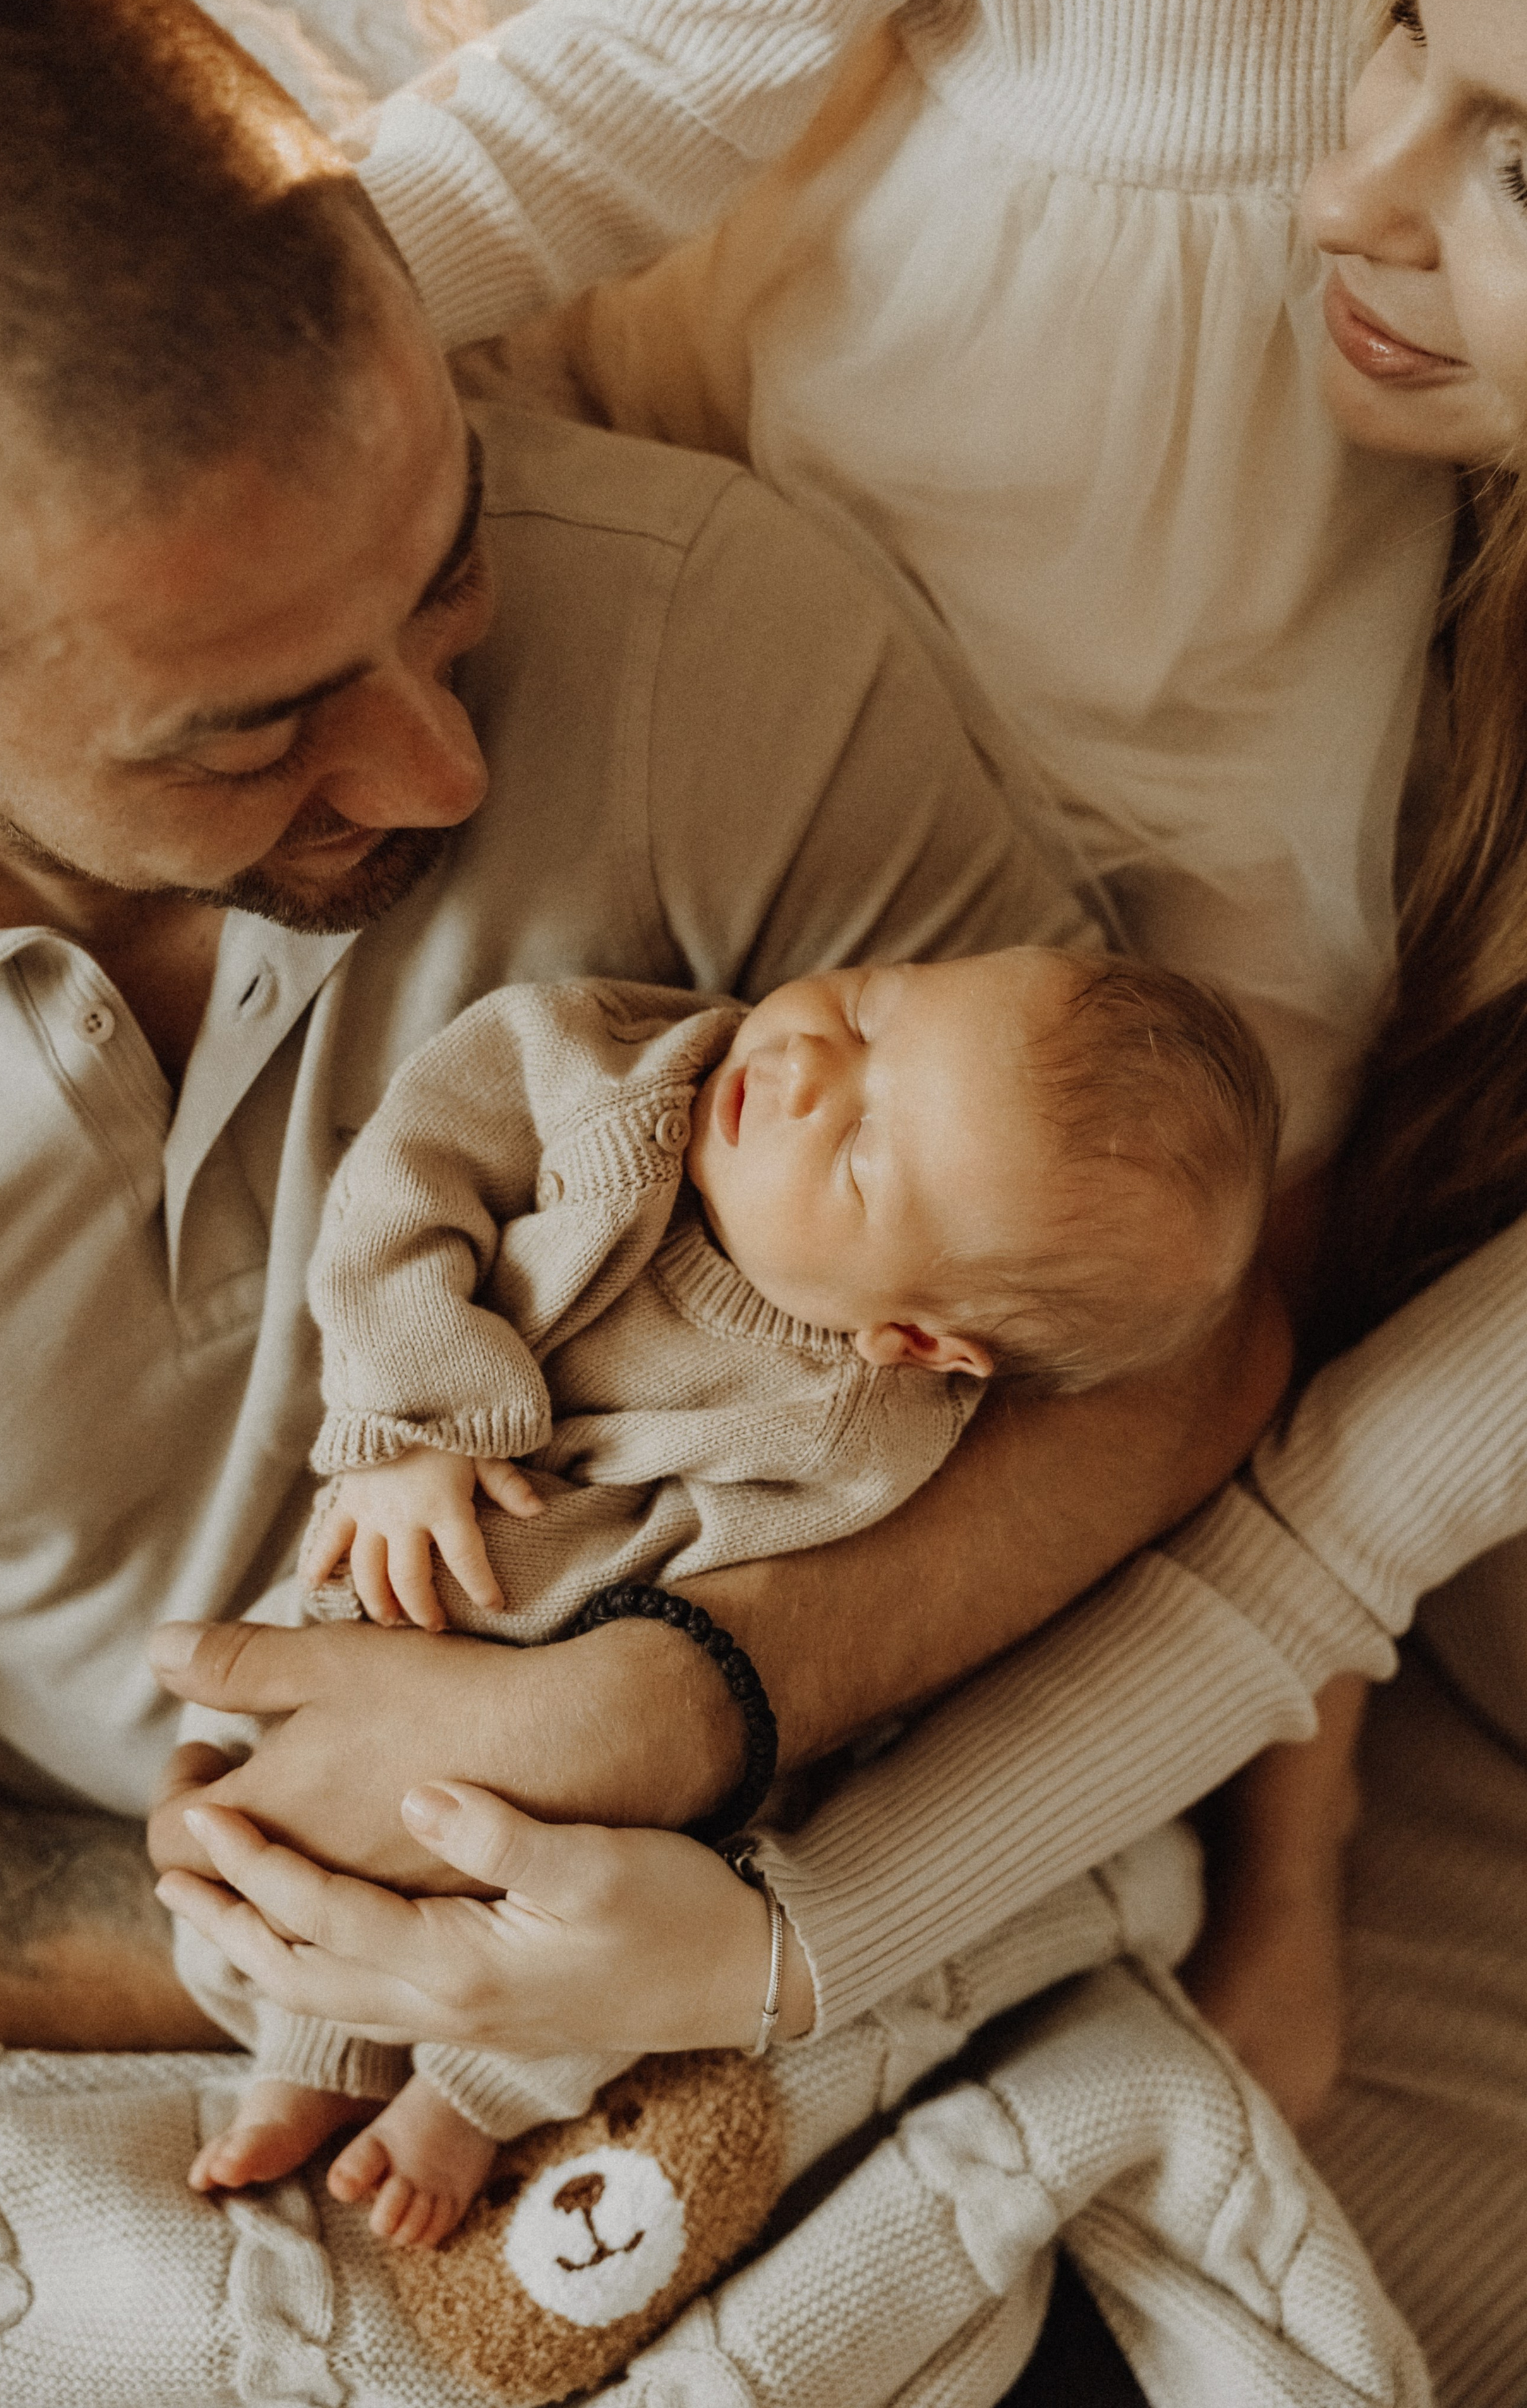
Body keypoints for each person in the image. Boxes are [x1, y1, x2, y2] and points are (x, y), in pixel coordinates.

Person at [158, 0, 1527, 2395]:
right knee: (811, 1061)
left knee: (1220, 1134)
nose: (1353, 171)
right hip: (897, 368)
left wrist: (771, 1946)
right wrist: (218, 369)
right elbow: (658, 71)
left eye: (1517, 162)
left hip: (1233, 611)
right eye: (1401, 37)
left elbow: (1324, 1487)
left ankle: (1258, 1857)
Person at [0, 0, 1279, 2068]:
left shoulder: (708, 638)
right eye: (251, 731)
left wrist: (669, 1702)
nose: (444, 769)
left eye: (446, 566)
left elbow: (1173, 1348)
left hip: (759, 1915)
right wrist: (268, 1928)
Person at [177, 951, 1277, 2248]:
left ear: (916, 1344)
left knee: (620, 1897)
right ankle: (305, 2050)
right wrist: (415, 1417)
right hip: (417, 1539)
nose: (808, 1066)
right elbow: (413, 1171)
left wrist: (633, 1727)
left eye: (863, 1148)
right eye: (874, 1006)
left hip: (589, 1656)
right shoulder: (607, 1078)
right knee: (299, 1801)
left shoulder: (872, 1437)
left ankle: (475, 2090)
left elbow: (766, 1603)